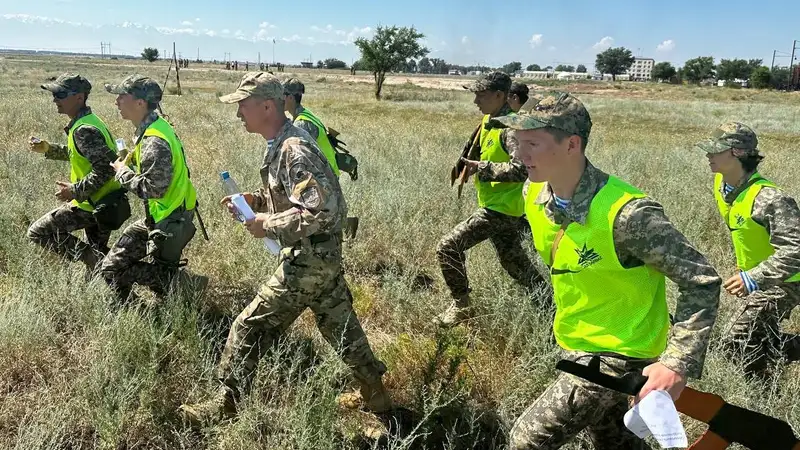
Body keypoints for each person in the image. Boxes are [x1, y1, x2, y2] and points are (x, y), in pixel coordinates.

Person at [488, 92, 721, 449]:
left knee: (526, 441)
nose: (520, 155)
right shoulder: (534, 195)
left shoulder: (629, 214)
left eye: (532, 143)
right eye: (517, 143)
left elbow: (700, 280)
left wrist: (676, 363)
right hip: (575, 341)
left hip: (619, 355)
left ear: (572, 144)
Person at [178, 72, 391, 425]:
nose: (238, 114)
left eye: (242, 106)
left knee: (247, 327)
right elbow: (292, 198)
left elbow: (322, 211)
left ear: (266, 106)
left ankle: (226, 406)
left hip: (308, 259)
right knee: (340, 327)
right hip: (320, 257)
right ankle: (377, 396)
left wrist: (265, 224)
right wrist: (256, 200)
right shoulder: (283, 141)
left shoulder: (293, 148)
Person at [436, 71, 542, 327]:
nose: (476, 101)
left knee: (448, 247)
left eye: (480, 95)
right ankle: (551, 308)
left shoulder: (511, 129)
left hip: (501, 210)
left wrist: (482, 168)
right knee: (516, 266)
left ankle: (462, 305)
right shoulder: (490, 120)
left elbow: (524, 169)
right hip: (501, 207)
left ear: (498, 95)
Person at [696, 121, 800, 377]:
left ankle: (762, 386)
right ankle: (764, 382)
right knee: (753, 337)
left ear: (738, 153)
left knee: (735, 339)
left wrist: (752, 278)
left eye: (716, 149)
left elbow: (796, 251)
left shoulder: (771, 199)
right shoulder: (723, 188)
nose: (708, 154)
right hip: (761, 277)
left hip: (787, 279)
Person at [100, 74, 205, 303]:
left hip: (168, 220)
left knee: (113, 269)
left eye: (121, 96)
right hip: (167, 215)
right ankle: (175, 287)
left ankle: (181, 287)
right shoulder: (154, 128)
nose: (116, 101)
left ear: (140, 103)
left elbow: (154, 189)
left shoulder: (154, 139)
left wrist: (122, 172)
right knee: (115, 267)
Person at [27, 73, 129, 274]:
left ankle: (92, 259)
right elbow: (82, 155)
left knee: (38, 233)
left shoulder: (84, 129)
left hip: (92, 205)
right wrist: (49, 149)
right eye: (54, 94)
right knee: (100, 260)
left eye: (60, 94)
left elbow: (106, 169)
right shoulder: (88, 122)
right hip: (105, 202)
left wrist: (74, 191)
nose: (55, 99)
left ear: (79, 98)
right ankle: (127, 295)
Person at [282, 77, 340, 176]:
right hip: (329, 171)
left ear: (290, 98)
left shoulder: (301, 123)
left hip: (325, 176)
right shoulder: (306, 114)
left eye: (281, 96)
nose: (279, 100)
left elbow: (301, 158)